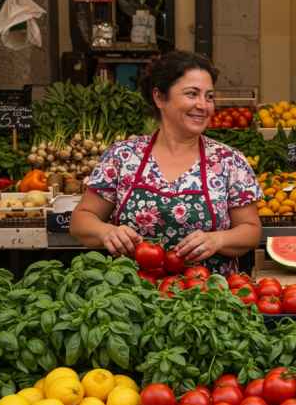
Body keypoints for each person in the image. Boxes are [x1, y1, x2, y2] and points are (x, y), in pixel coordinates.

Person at [70, 51, 262, 275]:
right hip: (131, 297)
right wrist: (106, 232)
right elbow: (81, 220)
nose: (203, 105)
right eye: (192, 94)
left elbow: (251, 230)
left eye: (209, 96)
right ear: (159, 97)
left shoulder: (229, 161)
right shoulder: (123, 156)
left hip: (208, 299)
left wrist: (218, 239)